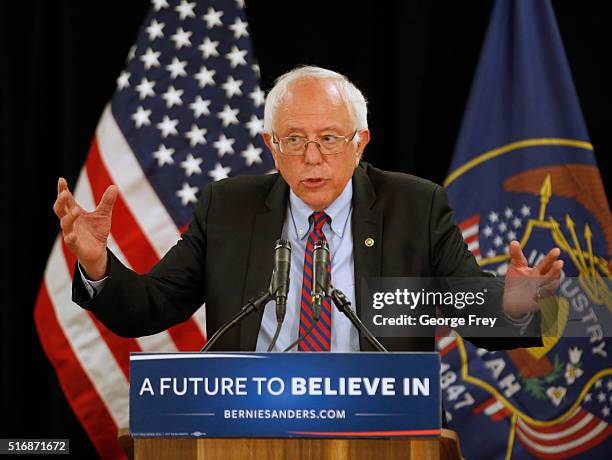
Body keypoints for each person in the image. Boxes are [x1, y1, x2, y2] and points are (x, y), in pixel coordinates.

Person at [53, 66, 563, 352]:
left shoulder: (414, 206)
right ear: (270, 146)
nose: (312, 157)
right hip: (249, 424)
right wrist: (97, 263)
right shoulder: (228, 208)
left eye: (329, 139)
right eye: (294, 139)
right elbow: (149, 307)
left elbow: (469, 313)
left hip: (380, 429)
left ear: (361, 142)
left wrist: (514, 303)